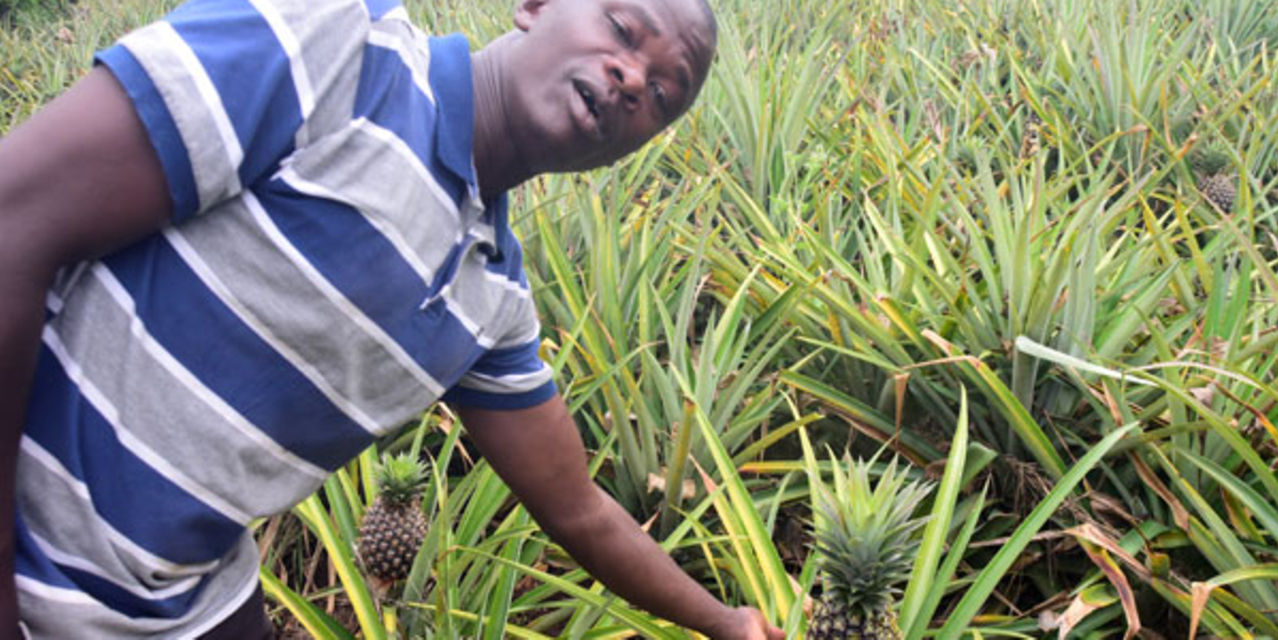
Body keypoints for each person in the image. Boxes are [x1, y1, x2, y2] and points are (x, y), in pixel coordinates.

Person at [0, 0, 787, 637]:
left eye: (662, 93)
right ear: (535, 5)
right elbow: (11, 223)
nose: (630, 77)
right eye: (621, 28)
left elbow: (579, 508)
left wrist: (729, 624)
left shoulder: (490, 300)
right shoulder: (341, 42)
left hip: (183, 597)